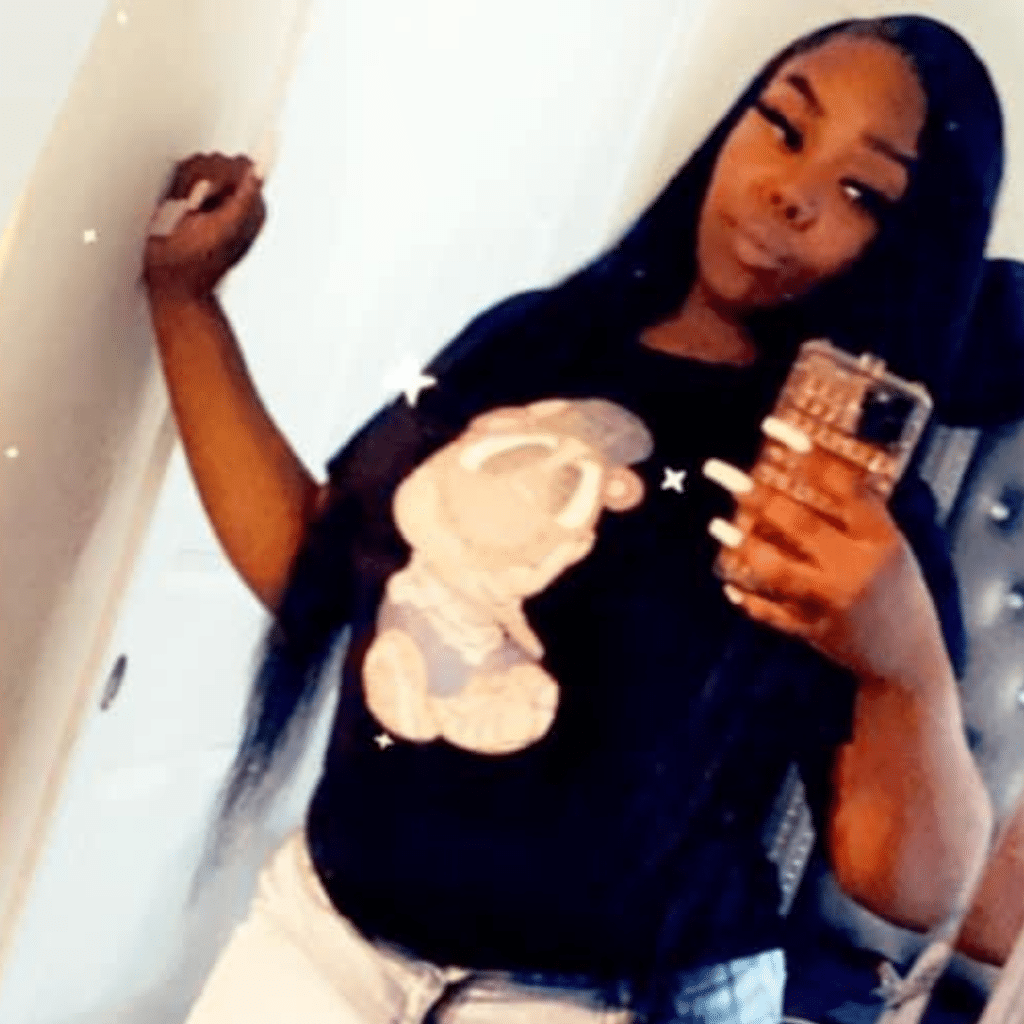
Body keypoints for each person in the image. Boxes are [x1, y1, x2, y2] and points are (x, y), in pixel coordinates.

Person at [143, 15, 1002, 1024]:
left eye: (862, 193)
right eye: (782, 124)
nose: (793, 191)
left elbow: (907, 883)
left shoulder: (848, 508)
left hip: (610, 999)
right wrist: (184, 303)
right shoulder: (530, 341)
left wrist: (901, 660)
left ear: (911, 245)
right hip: (323, 942)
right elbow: (314, 561)